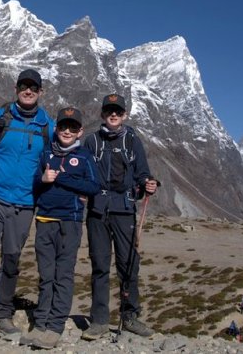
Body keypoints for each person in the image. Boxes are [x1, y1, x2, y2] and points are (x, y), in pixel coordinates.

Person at [0, 69, 55, 350]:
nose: (28, 91)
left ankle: (2, 315)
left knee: (12, 262)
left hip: (26, 203)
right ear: (16, 88)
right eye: (24, 86)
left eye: (34, 87)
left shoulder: (47, 125)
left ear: (41, 92)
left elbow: (54, 160)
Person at [20, 107, 100, 350]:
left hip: (71, 222)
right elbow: (34, 182)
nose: (67, 131)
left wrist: (63, 179)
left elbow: (94, 186)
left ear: (80, 132)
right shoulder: (46, 154)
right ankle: (40, 323)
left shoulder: (85, 157)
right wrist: (42, 180)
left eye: (73, 127)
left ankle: (55, 327)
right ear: (56, 129)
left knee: (63, 275)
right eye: (63, 126)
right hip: (44, 220)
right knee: (46, 275)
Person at [81, 94, 159, 340]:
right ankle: (100, 321)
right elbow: (83, 172)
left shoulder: (132, 140)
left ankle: (130, 317)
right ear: (103, 114)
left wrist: (149, 184)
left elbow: (142, 172)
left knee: (128, 266)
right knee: (100, 266)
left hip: (125, 210)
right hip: (97, 211)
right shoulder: (91, 141)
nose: (113, 115)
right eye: (109, 111)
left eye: (117, 111)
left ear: (124, 114)